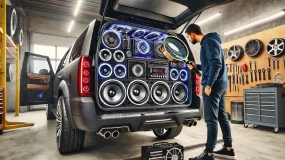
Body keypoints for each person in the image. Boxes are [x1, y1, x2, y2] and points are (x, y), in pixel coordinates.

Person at [185, 24, 236, 160]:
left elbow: (216, 64)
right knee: (221, 117)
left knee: (210, 120)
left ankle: (208, 154)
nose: (189, 39)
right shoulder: (212, 42)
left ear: (193, 34)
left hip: (213, 87)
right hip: (221, 85)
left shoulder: (208, 42)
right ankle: (228, 149)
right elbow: (211, 63)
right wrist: (197, 66)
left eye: (188, 37)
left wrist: (208, 85)